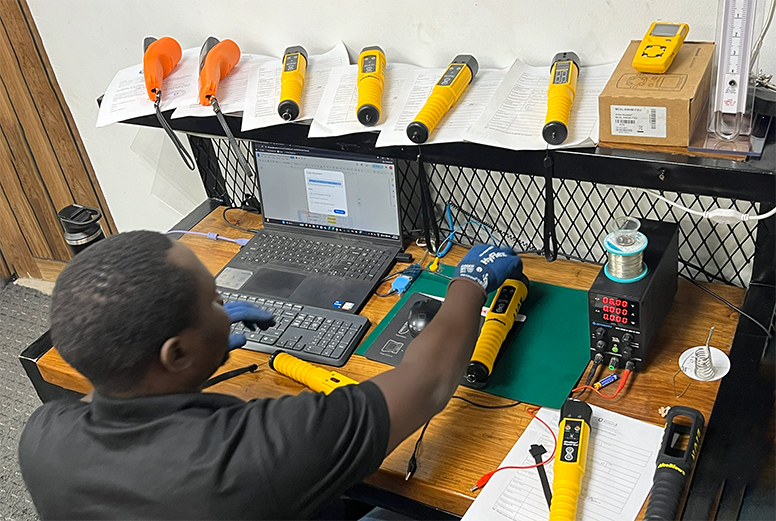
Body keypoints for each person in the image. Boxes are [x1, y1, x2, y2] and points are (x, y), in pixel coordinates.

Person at [18, 230, 522, 519]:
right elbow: (429, 379)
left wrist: (203, 349)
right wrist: (469, 282)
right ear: (175, 353)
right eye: (214, 299)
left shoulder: (41, 437)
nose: (224, 304)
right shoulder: (255, 451)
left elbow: (119, 387)